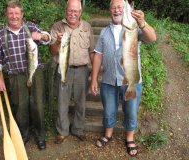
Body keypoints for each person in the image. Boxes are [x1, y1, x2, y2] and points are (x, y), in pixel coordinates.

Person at [90, 0, 156, 157]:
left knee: (131, 112)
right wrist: (93, 79)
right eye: (113, 7)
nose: (116, 10)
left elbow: (152, 38)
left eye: (120, 7)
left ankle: (130, 138)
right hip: (108, 80)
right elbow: (98, 55)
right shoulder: (105, 32)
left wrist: (142, 23)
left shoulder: (133, 28)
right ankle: (108, 134)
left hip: (131, 79)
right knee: (109, 111)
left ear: (125, 11)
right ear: (109, 11)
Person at [0, 0, 51, 150]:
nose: (14, 16)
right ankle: (23, 135)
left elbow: (48, 39)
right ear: (6, 14)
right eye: (11, 13)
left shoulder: (30, 27)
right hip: (15, 76)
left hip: (34, 72)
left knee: (38, 105)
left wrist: (41, 36)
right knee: (20, 107)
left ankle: (40, 136)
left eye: (17, 13)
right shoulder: (0, 34)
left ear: (22, 14)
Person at [50, 0, 95, 144]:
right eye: (70, 10)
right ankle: (62, 131)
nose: (73, 14)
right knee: (62, 102)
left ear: (80, 12)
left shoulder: (87, 27)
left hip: (82, 70)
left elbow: (92, 51)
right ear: (66, 11)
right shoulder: (57, 26)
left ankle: (78, 129)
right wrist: (57, 41)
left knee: (81, 102)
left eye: (76, 11)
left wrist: (94, 73)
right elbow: (52, 51)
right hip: (63, 69)